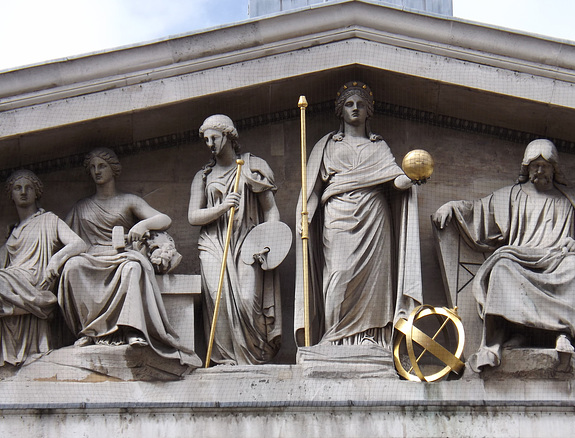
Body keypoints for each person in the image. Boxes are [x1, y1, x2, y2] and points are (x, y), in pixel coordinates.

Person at [433, 139, 575, 372]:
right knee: (502, 268)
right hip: (520, 258)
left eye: (545, 165)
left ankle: (563, 335)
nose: (540, 170)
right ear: (526, 168)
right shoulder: (512, 195)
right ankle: (503, 339)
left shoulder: (571, 198)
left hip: (557, 259)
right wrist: (451, 207)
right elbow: (480, 210)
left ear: (555, 168)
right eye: (535, 165)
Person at [294, 81, 423, 348]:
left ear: (368, 112)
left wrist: (414, 176)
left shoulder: (378, 147)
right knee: (338, 275)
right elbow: (314, 189)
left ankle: (369, 337)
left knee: (373, 283)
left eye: (361, 105)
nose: (355, 109)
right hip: (337, 215)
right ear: (340, 111)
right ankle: (333, 337)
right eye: (350, 104)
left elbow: (396, 181)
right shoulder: (327, 146)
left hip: (374, 217)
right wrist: (305, 214)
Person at [58, 148, 201, 368]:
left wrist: (143, 224)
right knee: (72, 266)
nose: (97, 171)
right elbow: (60, 236)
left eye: (102, 166)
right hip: (91, 257)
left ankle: (133, 330)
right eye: (92, 167)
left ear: (114, 169)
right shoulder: (81, 206)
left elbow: (164, 219)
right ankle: (90, 331)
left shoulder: (128, 201)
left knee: (133, 267)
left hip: (120, 254)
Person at [189, 114, 282, 365]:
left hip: (247, 242)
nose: (210, 143)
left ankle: (252, 358)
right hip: (212, 244)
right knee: (217, 299)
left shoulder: (252, 167)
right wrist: (222, 208)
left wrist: (269, 243)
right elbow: (193, 216)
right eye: (206, 139)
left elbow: (270, 210)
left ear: (228, 137)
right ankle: (224, 360)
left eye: (214, 137)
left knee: (246, 298)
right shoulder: (203, 176)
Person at [0, 170, 85, 366]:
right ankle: (17, 309)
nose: (23, 192)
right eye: (17, 188)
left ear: (37, 192)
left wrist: (56, 260)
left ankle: (28, 304)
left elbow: (79, 244)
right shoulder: (12, 231)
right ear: (10, 194)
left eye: (28, 188)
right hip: (13, 280)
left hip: (36, 279)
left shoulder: (49, 220)